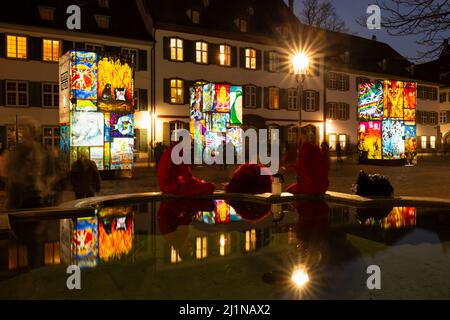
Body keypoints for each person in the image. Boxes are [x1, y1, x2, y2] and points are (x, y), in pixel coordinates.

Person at [5, 119, 45, 209]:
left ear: (31, 131)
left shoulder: (26, 148)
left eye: (23, 128)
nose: (21, 131)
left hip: (25, 190)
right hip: (25, 190)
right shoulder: (32, 147)